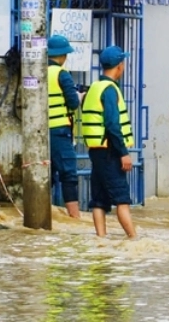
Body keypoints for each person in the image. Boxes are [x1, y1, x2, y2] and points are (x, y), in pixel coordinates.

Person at [81, 46, 136, 238]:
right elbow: (113, 125)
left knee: (99, 200)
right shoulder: (110, 90)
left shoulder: (94, 87)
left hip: (97, 151)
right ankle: (134, 240)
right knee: (122, 199)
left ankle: (101, 240)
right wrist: (123, 153)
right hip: (110, 152)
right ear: (120, 66)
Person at [47, 35, 83, 219]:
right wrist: (79, 96)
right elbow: (72, 103)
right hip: (60, 130)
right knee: (68, 173)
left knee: (47, 174)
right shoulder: (62, 74)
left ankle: (46, 213)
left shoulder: (36, 72)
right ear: (61, 56)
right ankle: (74, 217)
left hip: (40, 132)